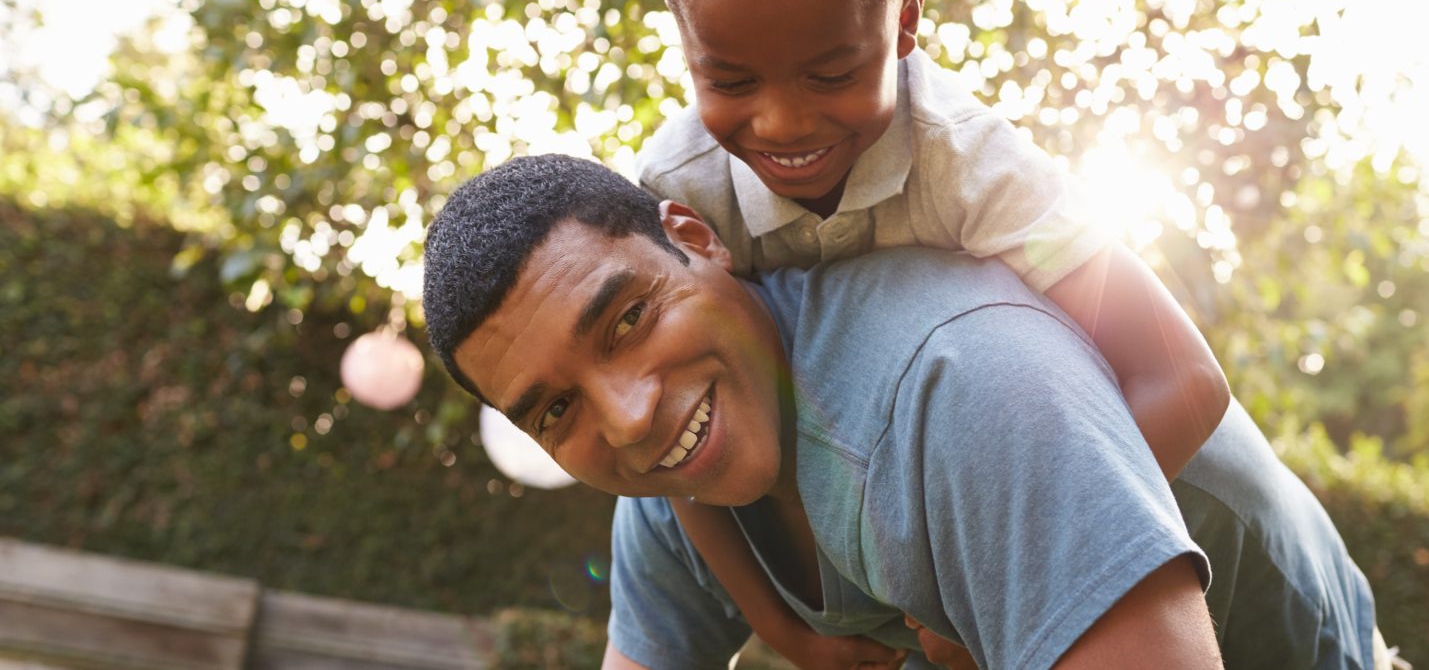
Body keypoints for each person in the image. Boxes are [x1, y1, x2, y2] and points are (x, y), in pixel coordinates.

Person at [420, 155, 1379, 669]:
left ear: (696, 239)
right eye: (554, 410)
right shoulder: (677, 485)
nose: (627, 420)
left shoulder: (957, 382)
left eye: (628, 319)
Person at [634, 0, 1235, 663]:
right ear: (683, 40)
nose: (783, 123)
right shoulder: (679, 189)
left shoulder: (976, 168)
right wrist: (788, 631)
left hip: (1188, 516)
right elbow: (673, 444)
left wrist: (1002, 583)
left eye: (832, 74)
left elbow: (1182, 381)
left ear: (906, 19)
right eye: (729, 79)